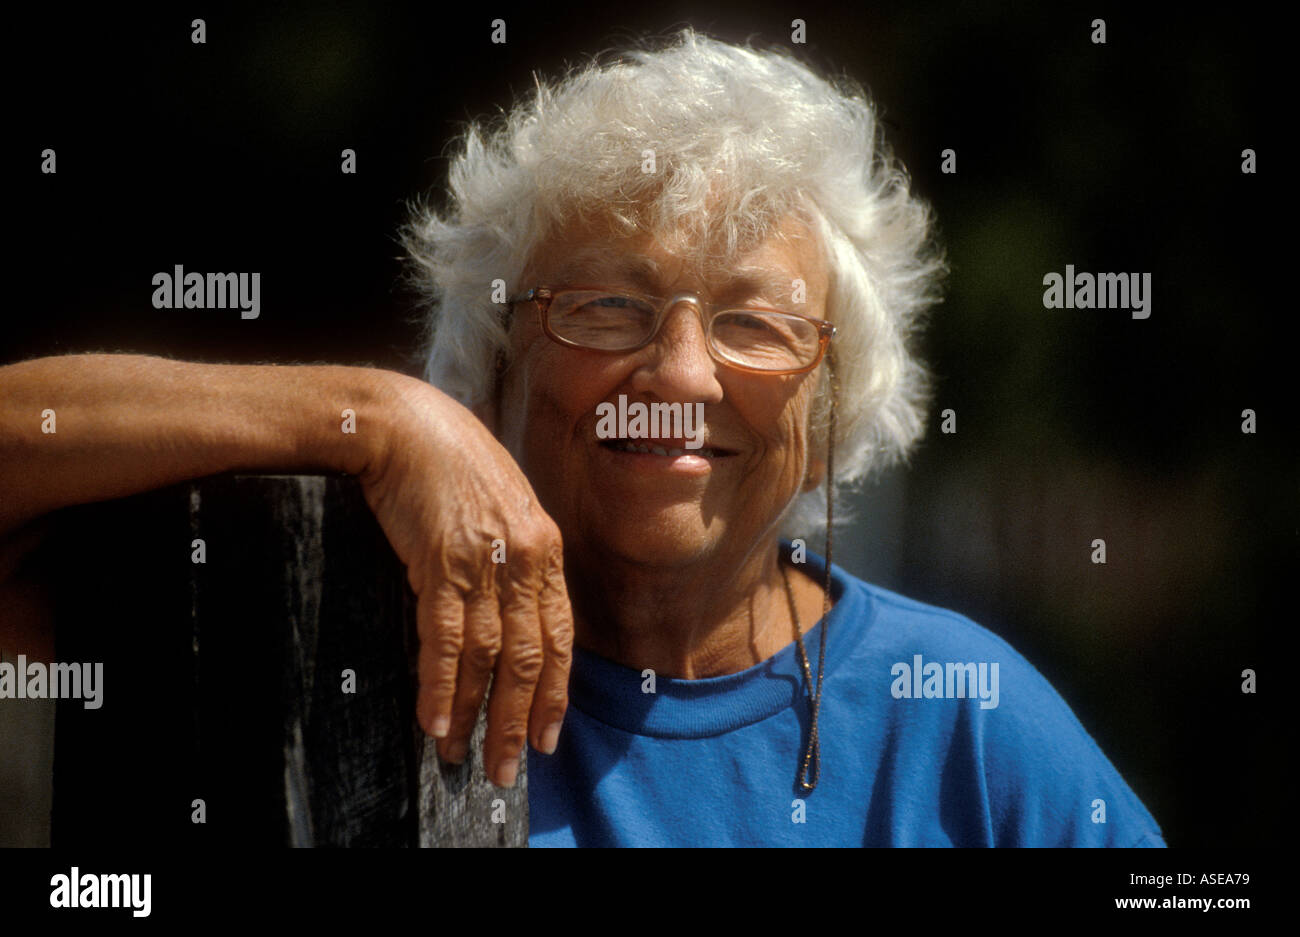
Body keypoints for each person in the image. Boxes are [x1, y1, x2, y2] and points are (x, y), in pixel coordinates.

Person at [0, 30, 1164, 846]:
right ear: (498, 364)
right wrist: (381, 416)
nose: (680, 373)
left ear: (831, 403)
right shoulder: (334, 623)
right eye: (607, 306)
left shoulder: (964, 718)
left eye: (756, 322)